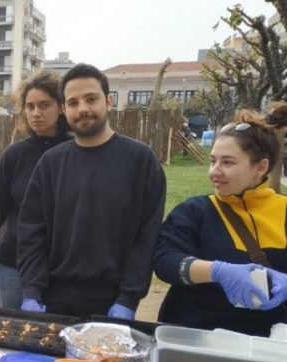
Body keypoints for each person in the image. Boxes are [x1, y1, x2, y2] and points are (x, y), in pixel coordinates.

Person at [17, 64, 166, 319]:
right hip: (54, 296)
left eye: (91, 99)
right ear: (64, 109)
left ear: (108, 102)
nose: (83, 108)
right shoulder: (51, 164)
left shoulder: (140, 161)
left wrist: (129, 299)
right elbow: (32, 230)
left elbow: (147, 236)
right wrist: (32, 290)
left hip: (113, 300)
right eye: (73, 102)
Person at [154, 107, 287, 336]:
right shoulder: (195, 211)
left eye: (228, 162)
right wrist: (218, 271)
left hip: (267, 344)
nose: (214, 172)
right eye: (213, 161)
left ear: (261, 167)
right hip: (196, 336)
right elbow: (165, 261)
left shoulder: (282, 211)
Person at [0, 71, 71, 309]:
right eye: (30, 106)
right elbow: (6, 211)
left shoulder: (76, 152)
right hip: (12, 260)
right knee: (11, 328)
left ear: (60, 107)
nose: (36, 113)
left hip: (61, 262)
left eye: (44, 105)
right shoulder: (14, 155)